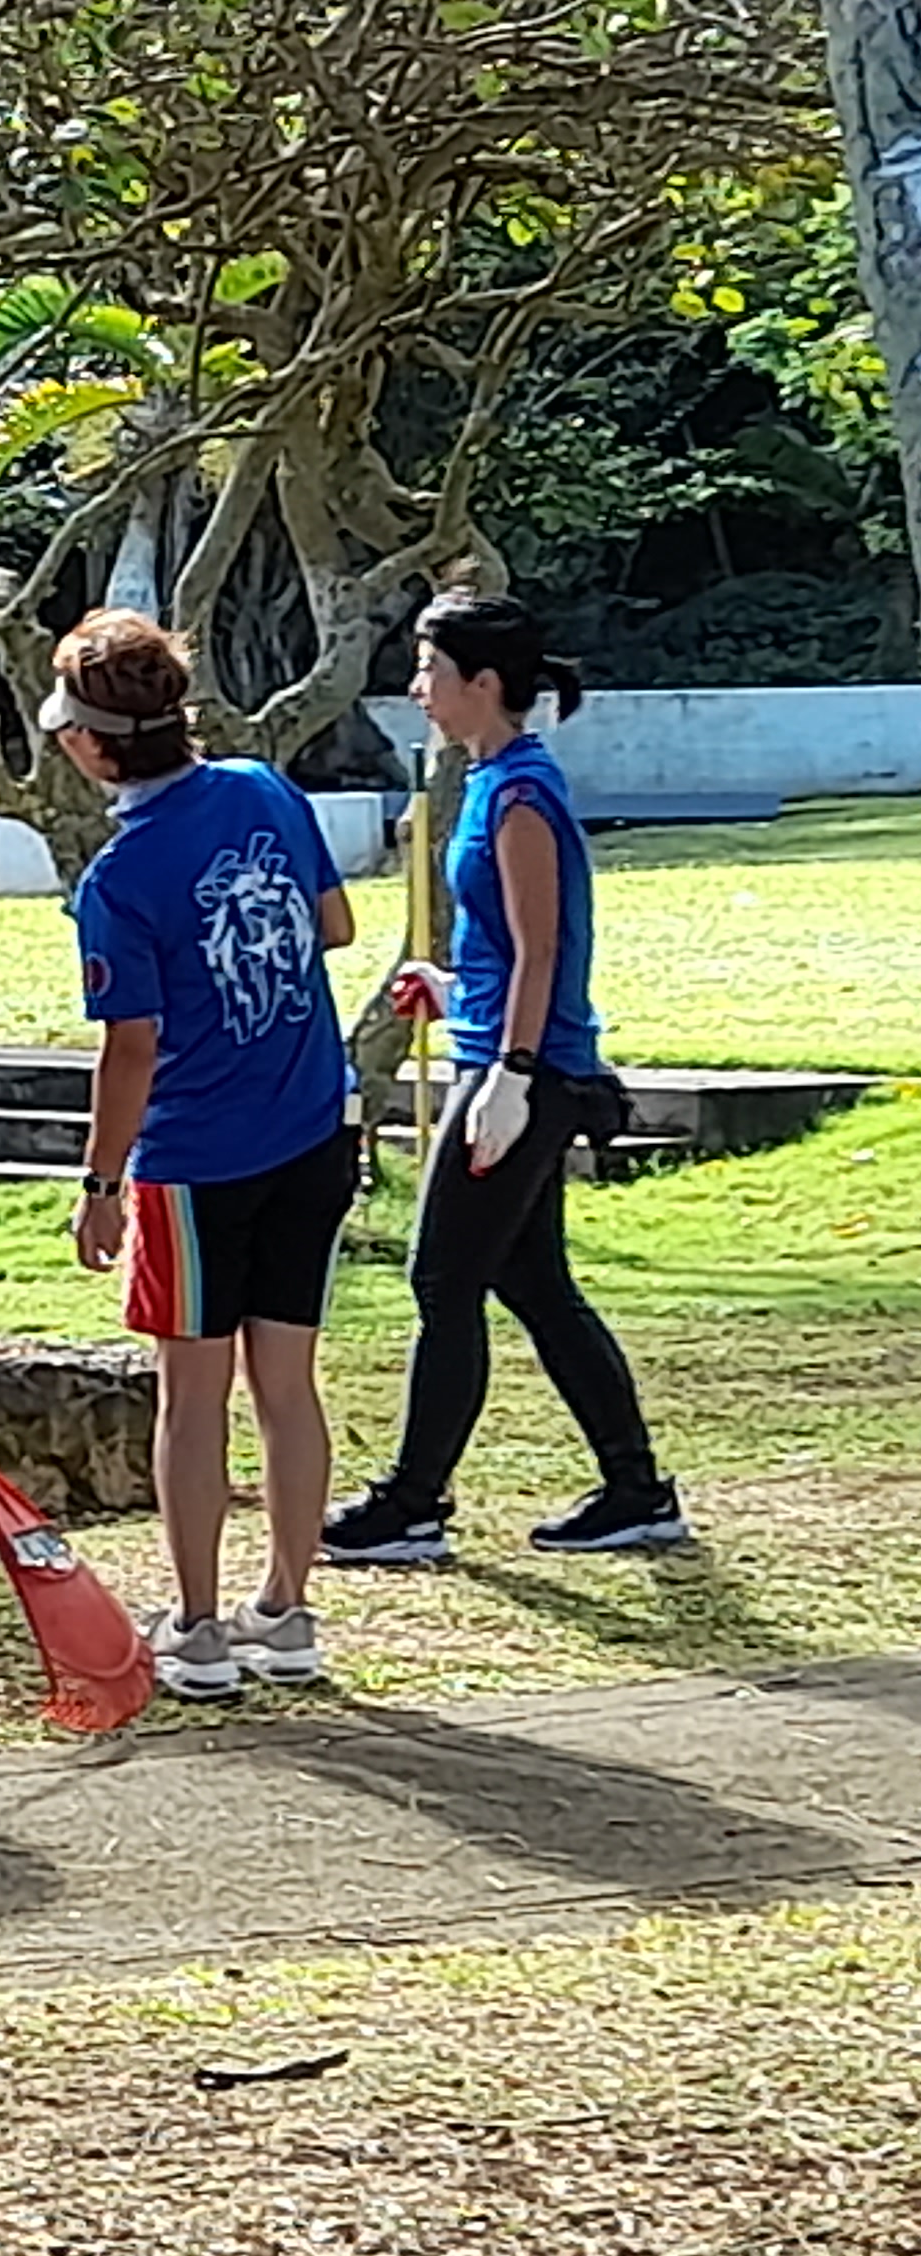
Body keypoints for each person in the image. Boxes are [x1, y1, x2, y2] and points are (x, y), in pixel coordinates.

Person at [327, 593, 688, 1566]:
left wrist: (514, 1073)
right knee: (533, 1284)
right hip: (504, 1051)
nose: (415, 688)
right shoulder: (489, 780)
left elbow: (543, 950)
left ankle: (412, 1502)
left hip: (523, 1074)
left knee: (442, 1280)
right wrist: (451, 990)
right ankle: (635, 1489)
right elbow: (501, 952)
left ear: (481, 684)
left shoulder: (523, 794)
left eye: (428, 669)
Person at [47, 612, 358, 1701]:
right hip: (315, 1127)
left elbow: (129, 1046)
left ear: (90, 744)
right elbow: (334, 924)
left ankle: (195, 1623)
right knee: (287, 1384)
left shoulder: (119, 879)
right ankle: (288, 1606)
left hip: (193, 1160)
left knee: (193, 1394)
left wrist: (97, 1184)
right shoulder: (263, 791)